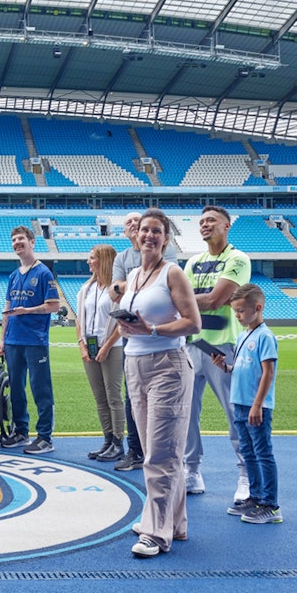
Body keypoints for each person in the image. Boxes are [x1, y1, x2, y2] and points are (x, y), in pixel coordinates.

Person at [116, 208, 202, 559]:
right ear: (136, 237)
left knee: (160, 453)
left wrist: (151, 329)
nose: (149, 235)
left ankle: (155, 532)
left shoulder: (173, 273)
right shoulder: (135, 274)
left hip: (167, 365)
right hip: (134, 364)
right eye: (144, 231)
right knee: (157, 448)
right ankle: (174, 522)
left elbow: (193, 323)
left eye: (156, 231)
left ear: (165, 239)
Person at [183, 205, 251, 502]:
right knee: (186, 414)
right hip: (192, 345)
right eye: (201, 222)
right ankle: (191, 471)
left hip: (223, 347)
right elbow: (184, 300)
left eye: (211, 220)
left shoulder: (237, 259)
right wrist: (184, 301)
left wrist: (184, 301)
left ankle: (247, 475)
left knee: (235, 414)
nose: (204, 225)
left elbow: (216, 299)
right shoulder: (193, 261)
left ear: (227, 226)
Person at [110, 211, 178, 472]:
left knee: (161, 412)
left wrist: (125, 287)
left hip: (163, 348)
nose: (139, 229)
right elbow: (113, 290)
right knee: (133, 398)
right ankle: (136, 451)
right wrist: (124, 287)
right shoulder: (124, 259)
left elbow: (124, 288)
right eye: (134, 226)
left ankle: (163, 461)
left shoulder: (167, 263)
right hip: (134, 344)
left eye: (148, 227)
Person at [217, 284, 282, 525]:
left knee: (262, 453)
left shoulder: (265, 336)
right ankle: (255, 497)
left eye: (241, 311)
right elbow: (243, 369)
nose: (237, 316)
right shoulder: (243, 335)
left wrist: (258, 405)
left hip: (255, 405)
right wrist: (224, 367)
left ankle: (271, 505)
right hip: (240, 402)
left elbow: (268, 373)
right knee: (248, 452)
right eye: (235, 311)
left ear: (258, 308)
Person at [0, 225, 61, 455]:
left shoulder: (43, 272)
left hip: (35, 340)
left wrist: (27, 311)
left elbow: (54, 306)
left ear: (32, 241)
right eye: (14, 240)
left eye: (21, 239)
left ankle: (45, 437)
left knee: (40, 388)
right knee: (16, 389)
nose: (17, 243)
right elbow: (7, 309)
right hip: (13, 340)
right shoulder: (13, 275)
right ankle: (21, 431)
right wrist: (2, 337)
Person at [77, 243, 125, 462]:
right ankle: (107, 440)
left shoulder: (115, 290)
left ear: (104, 260)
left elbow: (121, 322)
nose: (89, 261)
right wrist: (82, 345)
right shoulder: (86, 288)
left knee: (113, 396)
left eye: (92, 257)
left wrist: (106, 347)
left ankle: (118, 442)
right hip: (90, 346)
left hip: (112, 347)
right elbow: (80, 319)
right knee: (100, 397)